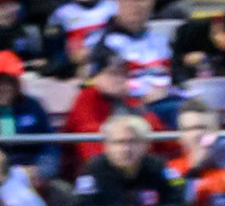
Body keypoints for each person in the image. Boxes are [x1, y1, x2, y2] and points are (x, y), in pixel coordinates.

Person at [63, 48, 169, 176]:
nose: (119, 79)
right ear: (96, 76)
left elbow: (158, 133)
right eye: (112, 73)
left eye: (123, 73)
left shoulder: (130, 101)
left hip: (135, 168)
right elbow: (91, 146)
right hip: (96, 172)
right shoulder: (87, 98)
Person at [0, 50, 57, 177]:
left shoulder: (33, 107)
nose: (3, 87)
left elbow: (50, 147)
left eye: (9, 81)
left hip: (29, 173)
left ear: (17, 82)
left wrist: (40, 170)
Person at [95, 0, 177, 120]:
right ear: (117, 3)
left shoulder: (161, 41)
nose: (133, 5)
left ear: (152, 3)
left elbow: (177, 77)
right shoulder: (106, 42)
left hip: (167, 101)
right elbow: (107, 84)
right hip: (131, 110)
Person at [44, 0, 116, 79]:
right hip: (72, 72)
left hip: (106, 66)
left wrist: (94, 53)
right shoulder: (61, 13)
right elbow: (52, 50)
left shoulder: (113, 7)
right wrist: (69, 58)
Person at [171, 5, 225, 84]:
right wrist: (185, 59)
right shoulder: (189, 31)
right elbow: (174, 61)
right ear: (221, 29)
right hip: (189, 82)